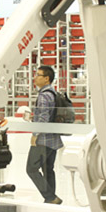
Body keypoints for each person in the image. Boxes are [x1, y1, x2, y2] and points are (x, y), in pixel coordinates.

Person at [25, 65, 63, 204]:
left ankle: (50, 197)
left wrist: (35, 135)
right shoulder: (53, 93)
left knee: (31, 169)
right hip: (53, 139)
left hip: (43, 140)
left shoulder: (43, 95)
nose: (35, 78)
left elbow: (44, 118)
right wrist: (34, 117)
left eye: (38, 75)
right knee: (48, 170)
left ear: (46, 78)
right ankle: (51, 200)